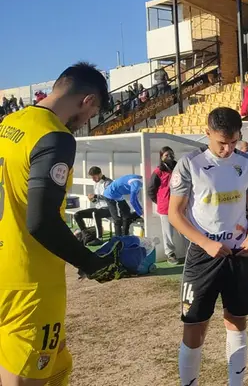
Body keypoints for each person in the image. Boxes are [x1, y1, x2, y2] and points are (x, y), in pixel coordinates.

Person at [0, 62, 122, 386]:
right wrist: (92, 263)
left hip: (4, 270)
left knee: (53, 371)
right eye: (91, 114)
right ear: (89, 101)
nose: (85, 123)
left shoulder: (8, 123)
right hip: (30, 284)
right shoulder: (54, 136)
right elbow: (40, 222)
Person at [169, 107, 248, 386]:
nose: (227, 148)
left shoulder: (246, 163)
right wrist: (205, 243)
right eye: (222, 142)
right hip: (203, 255)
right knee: (194, 324)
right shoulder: (189, 163)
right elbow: (176, 213)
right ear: (207, 133)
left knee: (237, 321)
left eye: (233, 142)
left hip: (238, 253)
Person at [149, 146, 181, 264]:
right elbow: (151, 189)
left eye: (171, 154)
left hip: (180, 204)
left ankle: (191, 251)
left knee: (185, 228)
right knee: (168, 232)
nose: (170, 157)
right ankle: (170, 254)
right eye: (166, 155)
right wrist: (160, 201)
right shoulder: (158, 171)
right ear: (161, 157)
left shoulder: (179, 167)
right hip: (165, 206)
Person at [74, 166, 113, 246]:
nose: (93, 179)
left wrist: (95, 196)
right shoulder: (96, 184)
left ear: (99, 174)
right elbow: (97, 202)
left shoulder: (108, 183)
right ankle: (85, 234)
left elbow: (108, 197)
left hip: (109, 208)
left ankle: (99, 238)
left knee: (95, 213)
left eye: (94, 177)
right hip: (99, 208)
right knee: (77, 214)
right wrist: (92, 199)